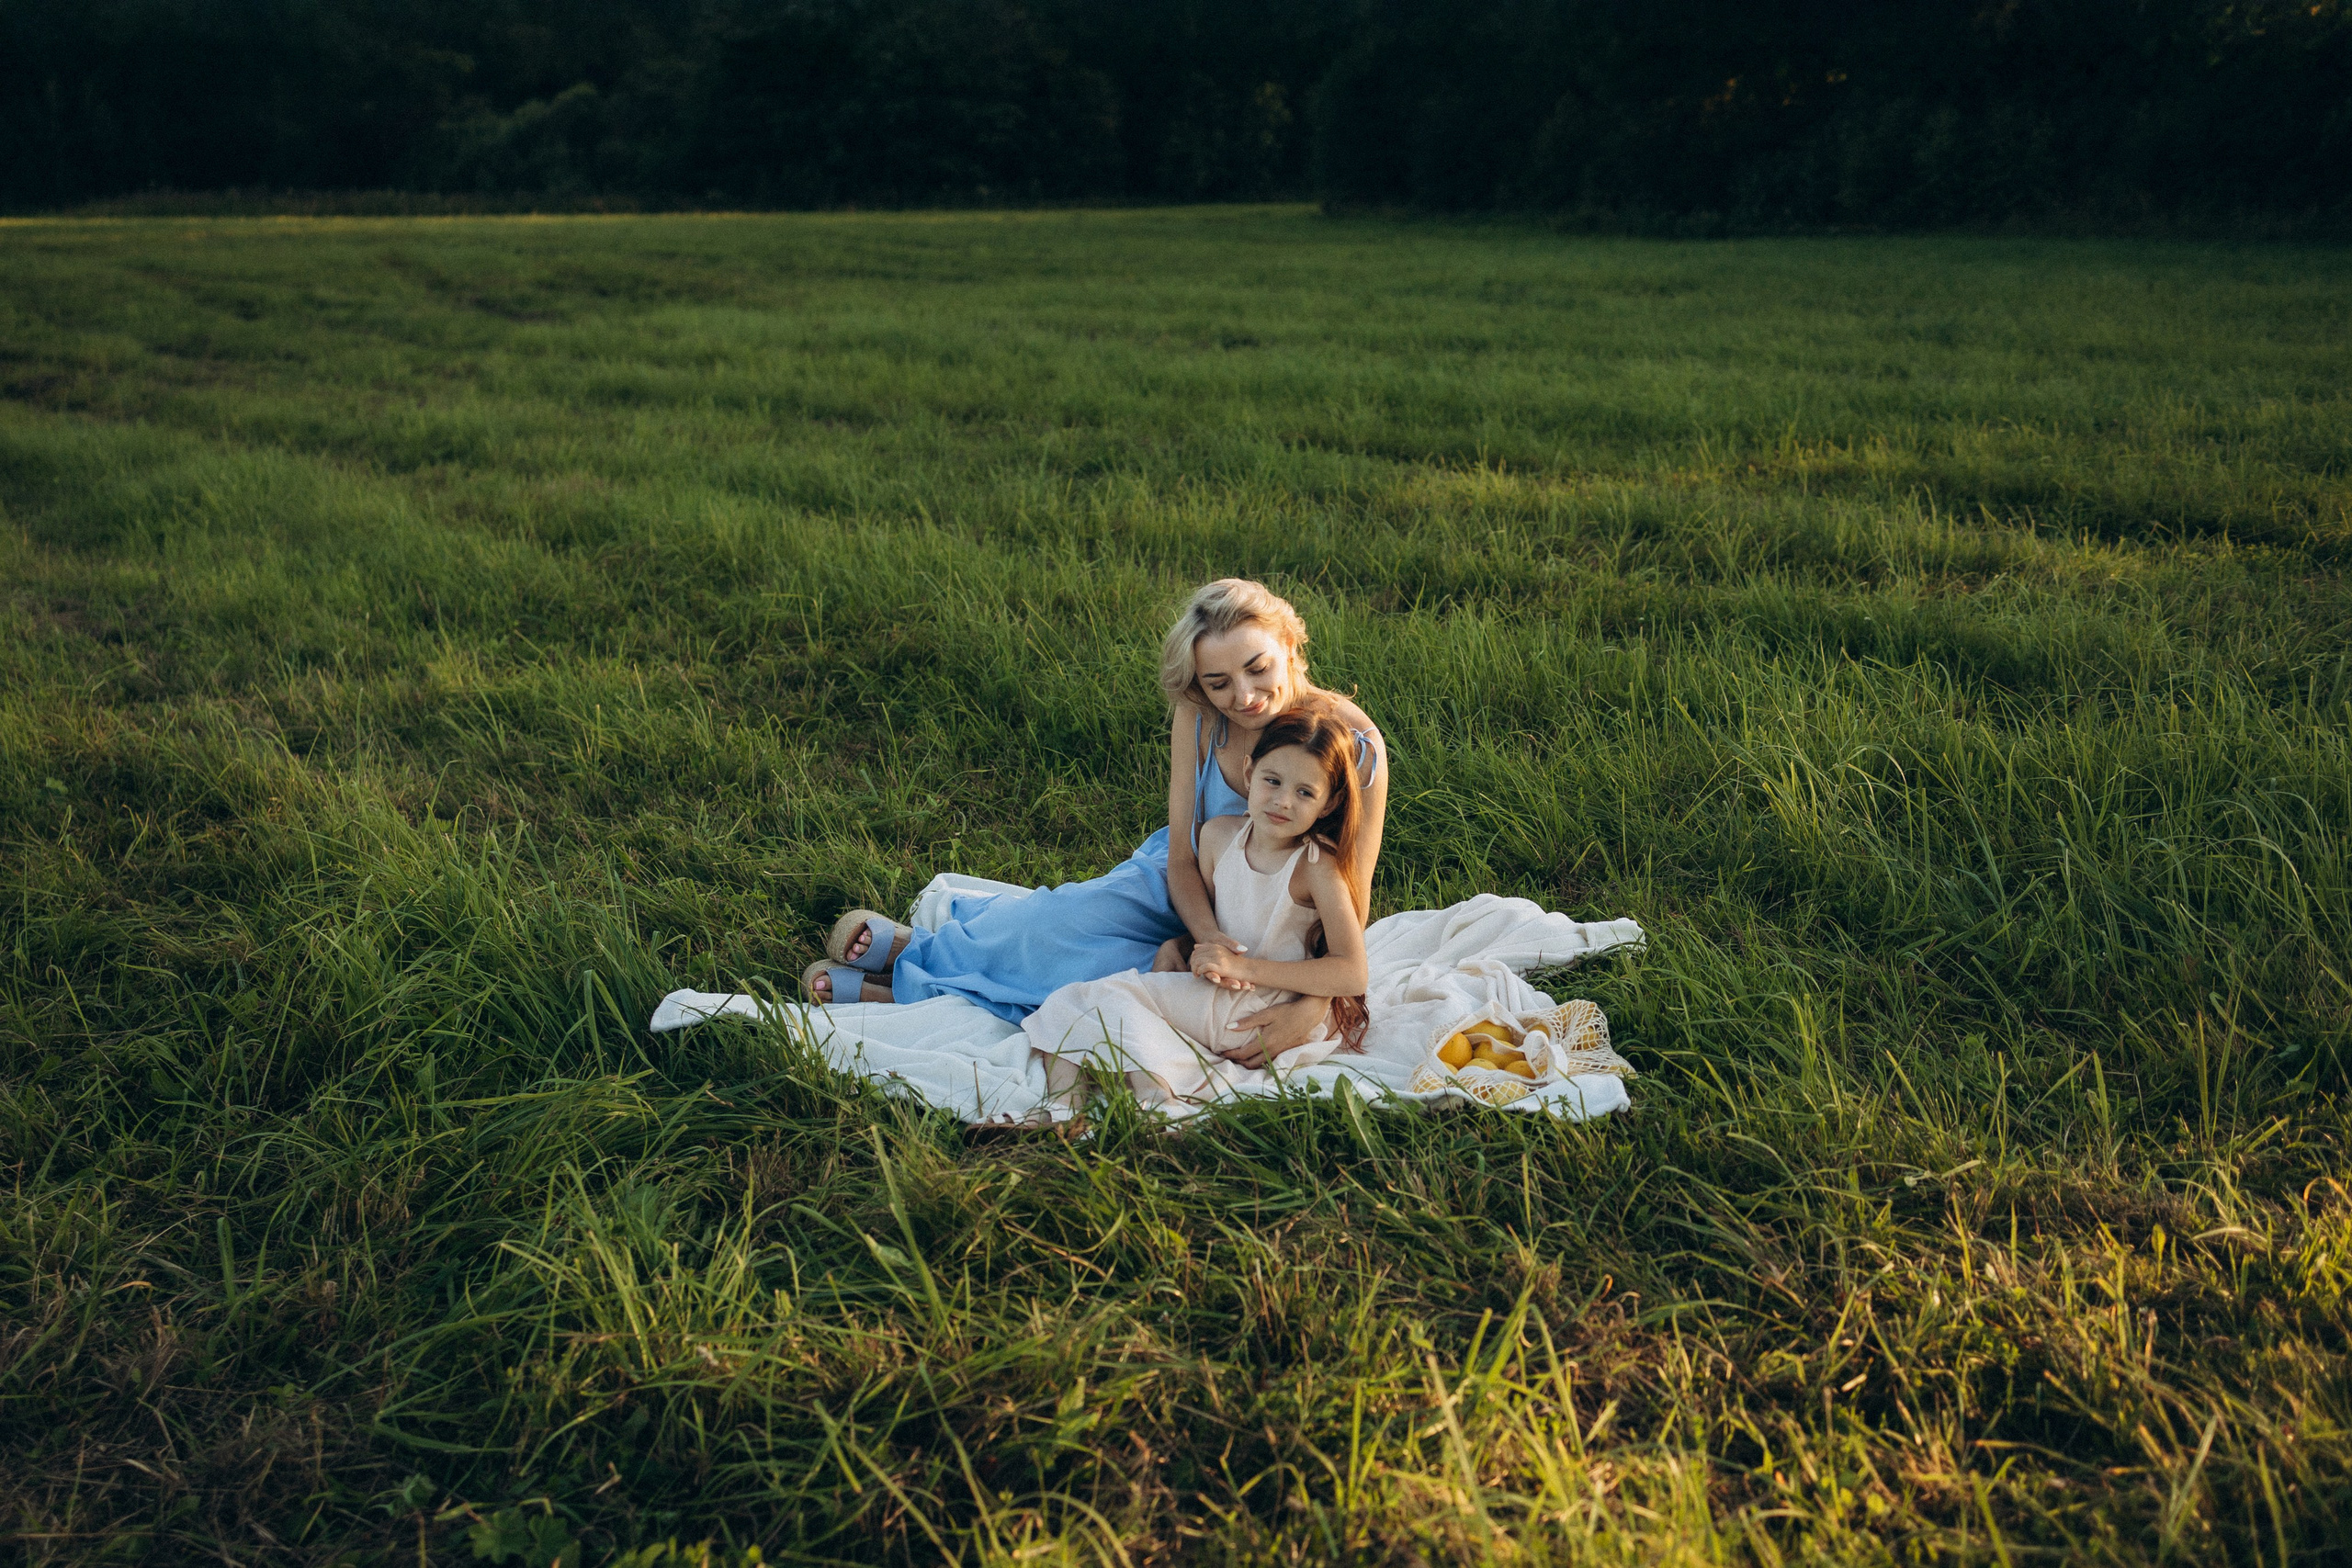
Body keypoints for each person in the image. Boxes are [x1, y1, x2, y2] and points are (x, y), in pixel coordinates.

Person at [802, 578, 1387, 1051]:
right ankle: (920, 952)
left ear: (1289, 646)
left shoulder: (1352, 745)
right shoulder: (1201, 718)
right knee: (1057, 925)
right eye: (1219, 682)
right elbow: (1182, 857)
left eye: (1259, 668)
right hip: (1180, 886)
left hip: (1268, 918)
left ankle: (906, 987)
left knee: (1110, 977)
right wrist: (1206, 940)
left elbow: (1350, 902)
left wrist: (1310, 1007)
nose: (1245, 696)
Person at [1023, 709, 1373, 1119]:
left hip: (1268, 1009)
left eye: (1304, 793)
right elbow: (1233, 925)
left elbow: (1352, 971)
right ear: (1248, 772)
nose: (1282, 801)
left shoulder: (1315, 866)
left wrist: (1244, 969)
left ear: (1329, 803)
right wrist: (1184, 943)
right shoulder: (1218, 837)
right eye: (1272, 781)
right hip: (1227, 995)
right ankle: (1078, 1113)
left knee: (1077, 1001)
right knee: (1103, 1007)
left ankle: (1111, 1109)